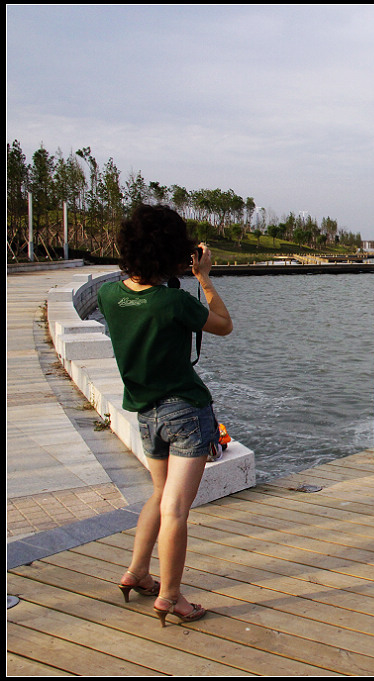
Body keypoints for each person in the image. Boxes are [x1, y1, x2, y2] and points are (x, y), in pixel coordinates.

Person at [97, 204, 233, 627]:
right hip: (186, 414)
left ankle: (137, 572)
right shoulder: (173, 302)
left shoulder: (108, 295)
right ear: (172, 251)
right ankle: (172, 597)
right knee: (176, 509)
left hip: (144, 413)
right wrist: (204, 278)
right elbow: (224, 325)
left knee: (159, 496)